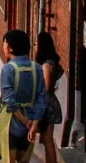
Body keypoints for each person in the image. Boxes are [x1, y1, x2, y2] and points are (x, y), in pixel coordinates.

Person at [0, 30, 48, 163]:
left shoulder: (8, 69)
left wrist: (25, 121)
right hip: (31, 122)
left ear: (11, 48)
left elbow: (9, 101)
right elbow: (42, 99)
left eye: (5, 44)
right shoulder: (37, 68)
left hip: (11, 123)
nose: (3, 47)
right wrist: (34, 124)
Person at [34, 32, 64, 163]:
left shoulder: (46, 65)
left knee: (47, 140)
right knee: (47, 139)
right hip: (51, 102)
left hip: (46, 105)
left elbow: (45, 88)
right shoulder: (53, 63)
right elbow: (60, 71)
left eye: (36, 44)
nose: (35, 46)